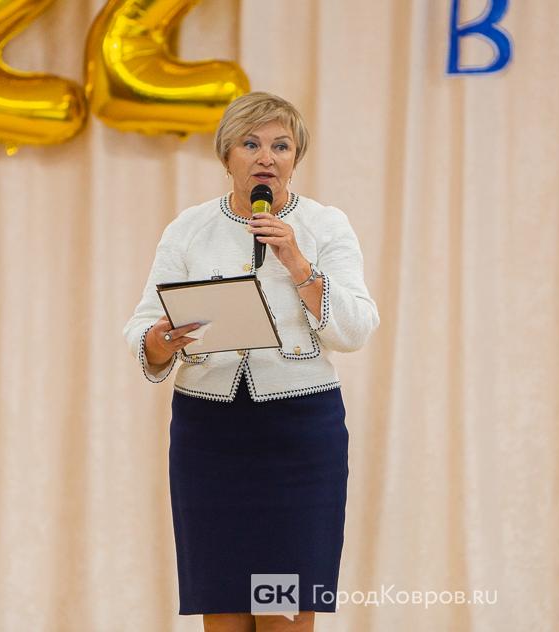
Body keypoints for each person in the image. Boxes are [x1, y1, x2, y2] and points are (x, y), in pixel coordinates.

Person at [122, 92, 379, 632]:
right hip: (209, 438)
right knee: (224, 604)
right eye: (251, 144)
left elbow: (356, 328)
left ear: (296, 157)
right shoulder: (189, 228)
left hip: (298, 437)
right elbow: (143, 326)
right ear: (226, 156)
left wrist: (297, 263)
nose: (267, 157)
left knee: (283, 604)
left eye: (281, 146)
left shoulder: (324, 225)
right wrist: (162, 339)